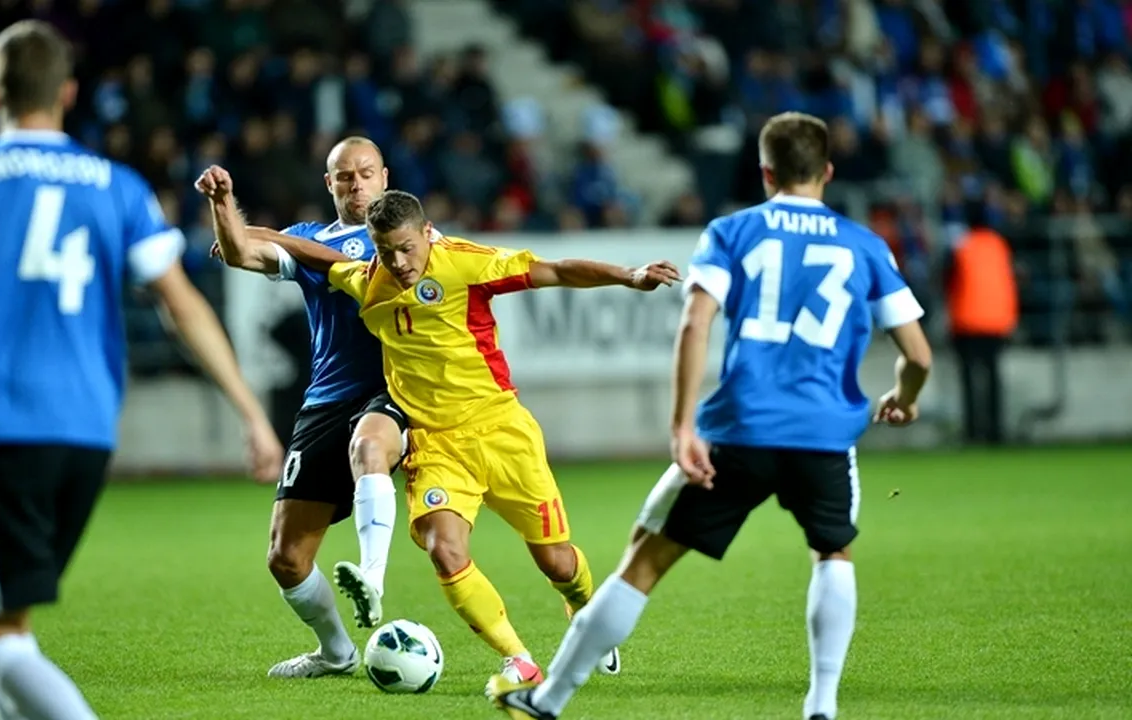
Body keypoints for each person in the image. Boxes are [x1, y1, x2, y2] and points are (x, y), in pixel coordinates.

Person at [0, 21, 283, 720]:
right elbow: (182, 305)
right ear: (68, 92)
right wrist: (253, 415)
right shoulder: (117, 185)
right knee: (12, 629)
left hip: (4, 420)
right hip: (89, 428)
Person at [487, 111, 933, 720]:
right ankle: (822, 706)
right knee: (833, 553)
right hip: (825, 435)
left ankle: (548, 699)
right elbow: (919, 355)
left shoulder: (733, 232)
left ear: (766, 171)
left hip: (741, 429)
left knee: (644, 560)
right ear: (828, 171)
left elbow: (695, 324)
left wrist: (681, 426)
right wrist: (904, 396)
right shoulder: (866, 245)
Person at [210, 183, 680, 684]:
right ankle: (518, 659)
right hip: (435, 445)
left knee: (558, 563)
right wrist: (251, 231)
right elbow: (321, 258)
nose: (399, 263)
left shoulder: (465, 263)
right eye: (385, 252)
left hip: (501, 432)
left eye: (406, 248)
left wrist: (630, 276)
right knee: (444, 549)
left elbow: (556, 270)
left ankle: (583, 608)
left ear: (427, 234)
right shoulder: (367, 280)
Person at [194, 137, 409, 680]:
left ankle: (373, 577)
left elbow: (368, 273)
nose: (357, 185)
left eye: (366, 173)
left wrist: (268, 236)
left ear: (385, 177)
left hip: (396, 389)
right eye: (345, 176)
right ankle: (336, 653)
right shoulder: (311, 237)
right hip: (327, 399)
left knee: (371, 447)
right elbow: (241, 252)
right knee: (286, 559)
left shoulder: (410, 238)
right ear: (329, 184)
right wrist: (223, 204)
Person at [945, 202, 1018, 445]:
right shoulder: (999, 244)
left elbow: (948, 279)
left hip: (967, 320)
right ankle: (996, 431)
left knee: (969, 379)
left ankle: (973, 431)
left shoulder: (962, 245)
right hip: (997, 320)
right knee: (994, 377)